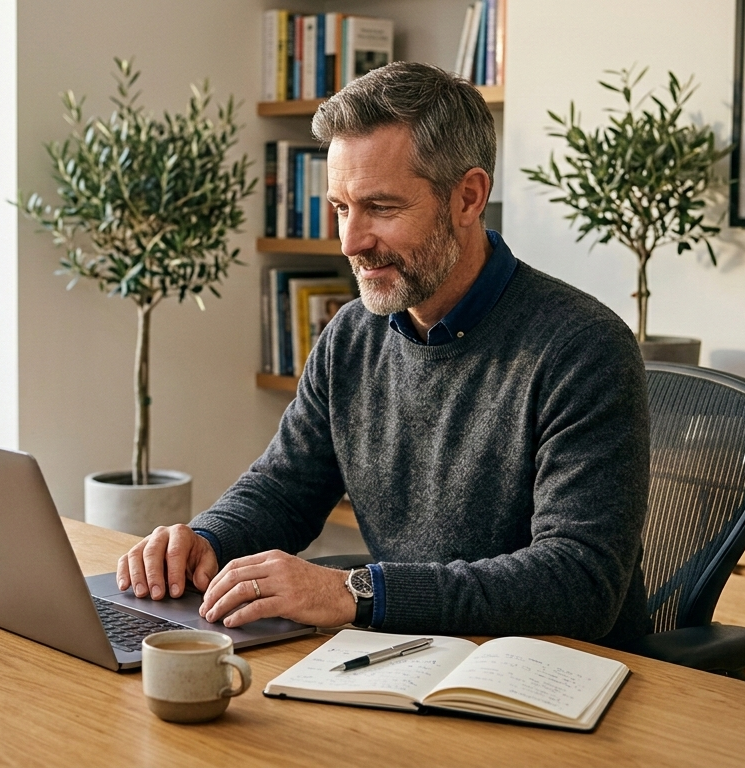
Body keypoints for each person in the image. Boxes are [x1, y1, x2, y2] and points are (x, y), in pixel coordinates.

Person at [115, 61, 652, 646]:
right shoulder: (351, 336)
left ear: (468, 197)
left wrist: (355, 592)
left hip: (555, 681)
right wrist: (205, 541)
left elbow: (577, 584)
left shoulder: (583, 348)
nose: (350, 242)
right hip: (410, 658)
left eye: (382, 208)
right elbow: (286, 488)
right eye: (342, 207)